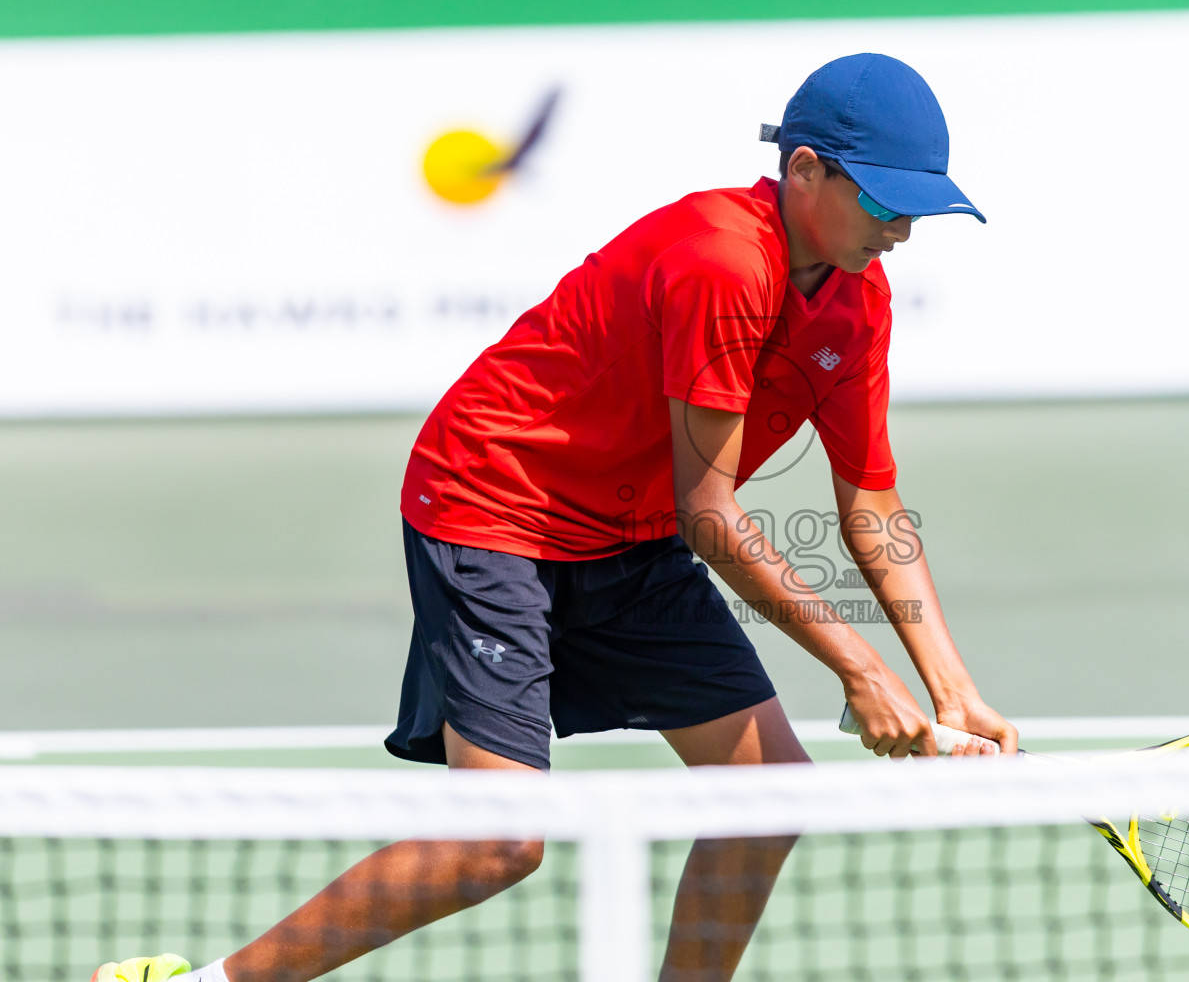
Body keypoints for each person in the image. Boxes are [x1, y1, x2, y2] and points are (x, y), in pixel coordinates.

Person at [92, 51, 1019, 982]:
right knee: (499, 843)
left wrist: (950, 686)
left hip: (628, 531)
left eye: (917, 204)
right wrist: (861, 672)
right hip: (495, 503)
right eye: (884, 198)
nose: (902, 227)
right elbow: (711, 513)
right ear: (804, 168)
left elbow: (869, 499)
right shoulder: (723, 261)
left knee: (765, 798)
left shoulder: (858, 300)